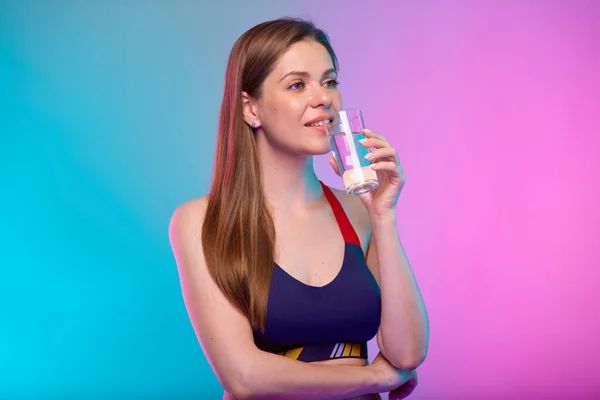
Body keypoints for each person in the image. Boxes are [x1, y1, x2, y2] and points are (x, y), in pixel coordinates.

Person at [169, 17, 429, 399]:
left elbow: (407, 352)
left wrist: (382, 215)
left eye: (329, 81)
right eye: (297, 84)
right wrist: (375, 378)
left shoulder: (357, 212)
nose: (324, 97)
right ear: (250, 109)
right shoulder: (201, 222)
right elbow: (244, 377)